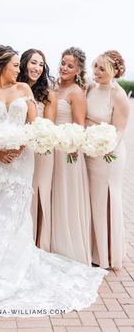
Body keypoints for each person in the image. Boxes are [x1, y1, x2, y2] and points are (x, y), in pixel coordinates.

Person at [0, 45, 107, 316]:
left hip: (21, 159)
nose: (19, 70)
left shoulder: (24, 90)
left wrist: (18, 148)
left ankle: (14, 265)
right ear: (1, 66)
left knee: (18, 209)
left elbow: (34, 126)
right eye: (15, 65)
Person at [85, 50, 130, 269]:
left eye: (102, 69)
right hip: (89, 151)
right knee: (93, 201)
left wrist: (107, 146)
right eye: (95, 66)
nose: (96, 71)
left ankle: (108, 254)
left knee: (107, 199)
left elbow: (120, 128)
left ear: (114, 71)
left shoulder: (118, 94)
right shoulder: (91, 87)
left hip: (108, 155)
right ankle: (93, 249)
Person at [51, 47, 91, 265]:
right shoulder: (54, 87)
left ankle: (67, 248)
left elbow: (80, 126)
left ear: (78, 70)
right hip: (50, 149)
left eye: (70, 65)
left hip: (67, 151)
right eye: (63, 63)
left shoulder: (76, 92)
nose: (64, 68)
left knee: (65, 195)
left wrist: (73, 146)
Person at [18, 49, 57, 251]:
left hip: (40, 151)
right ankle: (20, 243)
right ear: (24, 63)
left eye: (41, 65)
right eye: (34, 63)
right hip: (17, 151)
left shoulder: (48, 94)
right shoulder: (14, 88)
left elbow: (48, 125)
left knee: (38, 193)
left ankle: (38, 243)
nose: (37, 68)